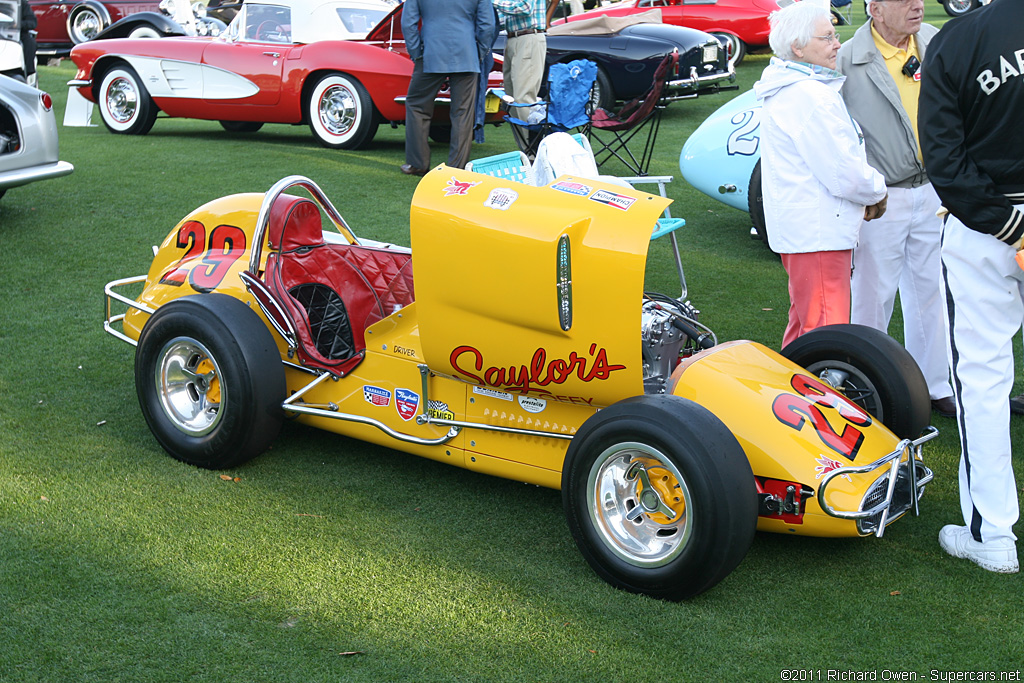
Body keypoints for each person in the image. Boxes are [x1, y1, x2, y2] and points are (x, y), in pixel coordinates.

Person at [920, 0, 1024, 574]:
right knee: (983, 380)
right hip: (994, 224)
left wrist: (1003, 221)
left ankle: (994, 536)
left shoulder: (959, 38)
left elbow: (942, 152)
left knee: (983, 381)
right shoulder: (956, 38)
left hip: (986, 229)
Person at [836, 0, 954, 418]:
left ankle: (935, 384)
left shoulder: (936, 42)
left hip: (935, 190)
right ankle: (864, 385)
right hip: (880, 198)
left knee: (932, 291)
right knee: (872, 293)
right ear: (875, 8)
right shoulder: (845, 59)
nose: (918, 5)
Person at [753, 1, 887, 348]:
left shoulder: (795, 89)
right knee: (826, 334)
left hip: (808, 231)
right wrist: (877, 191)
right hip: (819, 233)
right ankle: (817, 402)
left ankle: (788, 397)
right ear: (797, 47)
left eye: (834, 35)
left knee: (805, 327)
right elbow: (844, 172)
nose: (837, 43)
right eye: (827, 37)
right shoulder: (810, 95)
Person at [401, 0, 495, 176]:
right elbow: (487, 26)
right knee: (463, 113)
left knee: (417, 106)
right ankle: (457, 168)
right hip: (466, 53)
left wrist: (416, 54)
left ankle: (417, 164)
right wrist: (479, 53)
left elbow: (408, 23)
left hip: (430, 53)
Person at [492, 0, 549, 121]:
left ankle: (531, 139)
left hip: (528, 38)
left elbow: (524, 8)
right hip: (513, 39)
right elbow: (503, 20)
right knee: (510, 98)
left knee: (523, 97)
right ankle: (522, 139)